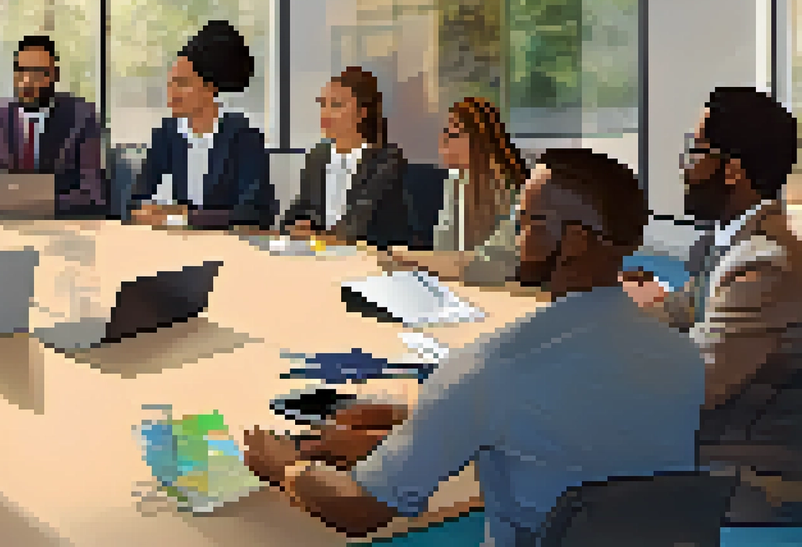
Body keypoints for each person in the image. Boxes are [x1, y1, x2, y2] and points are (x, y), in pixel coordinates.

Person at [243, 149, 704, 545]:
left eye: (528, 222)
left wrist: (283, 466)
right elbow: (567, 426)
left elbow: (360, 509)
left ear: (577, 241)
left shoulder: (495, 366)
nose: (518, 236)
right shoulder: (683, 359)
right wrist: (416, 416)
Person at [623, 86, 802, 523]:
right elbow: (681, 310)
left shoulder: (766, 262)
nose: (685, 167)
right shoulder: (726, 245)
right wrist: (612, 307)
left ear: (732, 170)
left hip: (752, 473)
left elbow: (695, 383)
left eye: (696, 151)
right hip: (717, 445)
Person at [128, 20, 277, 229]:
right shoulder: (166, 134)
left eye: (182, 83)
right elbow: (137, 199)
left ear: (210, 88)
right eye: (170, 83)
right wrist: (146, 209)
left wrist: (185, 216)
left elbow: (255, 211)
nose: (172, 93)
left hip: (229, 247)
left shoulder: (243, 136)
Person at [0, 35, 106, 217]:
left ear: (54, 76)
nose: (26, 81)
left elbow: (94, 195)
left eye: (37, 72)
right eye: (20, 71)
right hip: (3, 226)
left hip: (60, 225)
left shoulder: (81, 117)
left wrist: (29, 204)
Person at [384, 97, 529, 285]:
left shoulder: (512, 189)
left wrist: (406, 257)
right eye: (444, 132)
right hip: (460, 286)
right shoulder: (456, 181)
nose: (443, 141)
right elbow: (444, 250)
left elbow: (490, 264)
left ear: (479, 141)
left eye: (453, 134)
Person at [280, 66, 409, 247]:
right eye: (323, 104)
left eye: (336, 105)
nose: (325, 113)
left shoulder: (386, 160)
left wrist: (316, 237)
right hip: (321, 252)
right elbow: (299, 210)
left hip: (371, 258)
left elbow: (359, 225)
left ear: (362, 113)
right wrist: (297, 225)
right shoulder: (318, 156)